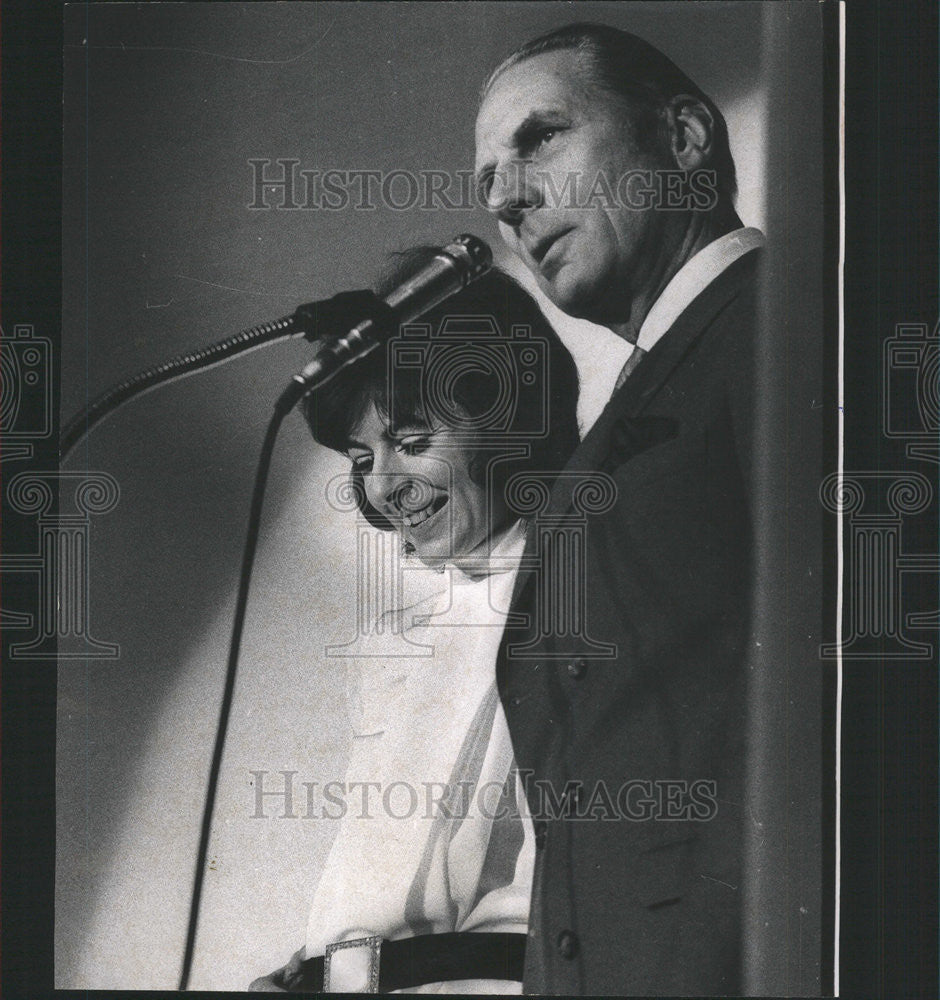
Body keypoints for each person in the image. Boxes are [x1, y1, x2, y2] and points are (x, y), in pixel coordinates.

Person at [473, 22, 766, 995]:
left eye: (540, 138)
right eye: (487, 183)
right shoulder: (642, 399)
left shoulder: (792, 321)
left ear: (683, 138)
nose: (508, 201)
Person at [249, 248, 580, 992]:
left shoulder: (580, 605)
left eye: (411, 442)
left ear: (513, 423)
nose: (383, 487)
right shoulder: (402, 638)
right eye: (362, 457)